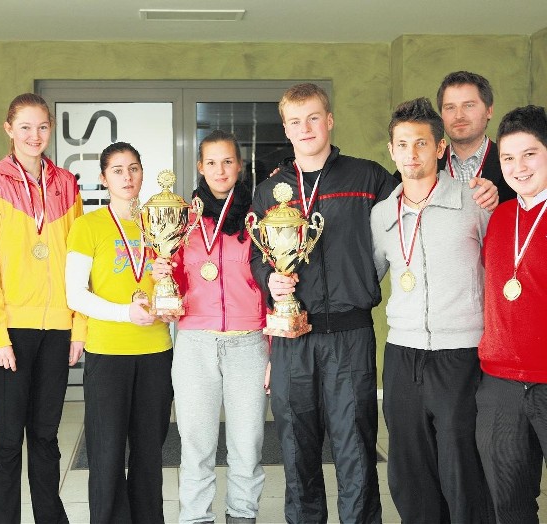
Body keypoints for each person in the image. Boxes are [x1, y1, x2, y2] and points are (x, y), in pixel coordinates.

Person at [249, 82, 397, 524]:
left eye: (314, 117)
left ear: (329, 120)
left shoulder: (368, 177)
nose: (306, 128)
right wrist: (268, 279)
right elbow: (257, 258)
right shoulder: (269, 190)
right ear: (286, 129)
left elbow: (411, 217)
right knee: (296, 452)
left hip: (351, 335)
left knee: (354, 450)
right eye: (295, 121)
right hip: (294, 337)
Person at [371, 98, 492, 523]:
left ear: (440, 148)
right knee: (409, 468)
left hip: (461, 353)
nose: (411, 154)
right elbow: (366, 277)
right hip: (402, 355)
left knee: (462, 467)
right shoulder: (381, 214)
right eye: (402, 144)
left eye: (421, 143)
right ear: (391, 150)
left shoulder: (475, 203)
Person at [0, 93, 86, 524]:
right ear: (8, 129)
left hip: (58, 328)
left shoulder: (67, 184)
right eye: (25, 127)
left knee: (45, 435)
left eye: (42, 127)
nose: (34, 136)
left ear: (51, 129)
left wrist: (79, 329)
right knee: (5, 437)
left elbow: (81, 265)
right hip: (12, 332)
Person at [152, 130, 269, 524]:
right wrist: (164, 278)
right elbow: (179, 284)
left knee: (247, 446)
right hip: (195, 343)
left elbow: (272, 282)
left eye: (228, 162)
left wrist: (271, 345)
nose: (220, 170)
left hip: (248, 343)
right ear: (200, 167)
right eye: (212, 162)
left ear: (239, 166)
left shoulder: (258, 218)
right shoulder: (181, 220)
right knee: (196, 445)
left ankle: (242, 515)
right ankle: (196, 518)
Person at [65, 141, 173, 523]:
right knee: (107, 453)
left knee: (148, 453)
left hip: (156, 352)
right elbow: (75, 294)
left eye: (133, 168)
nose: (127, 177)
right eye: (117, 170)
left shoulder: (161, 222)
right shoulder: (88, 226)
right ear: (103, 178)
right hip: (108, 352)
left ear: (143, 172)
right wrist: (124, 313)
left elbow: (180, 285)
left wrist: (170, 288)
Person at [476, 105, 547, 523]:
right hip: (500, 385)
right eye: (508, 157)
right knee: (510, 506)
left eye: (530, 154)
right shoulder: (499, 216)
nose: (518, 167)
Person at [436, 70, 515, 202]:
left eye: (469, 105)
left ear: (489, 111)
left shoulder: (515, 165)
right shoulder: (425, 165)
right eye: (450, 107)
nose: (459, 115)